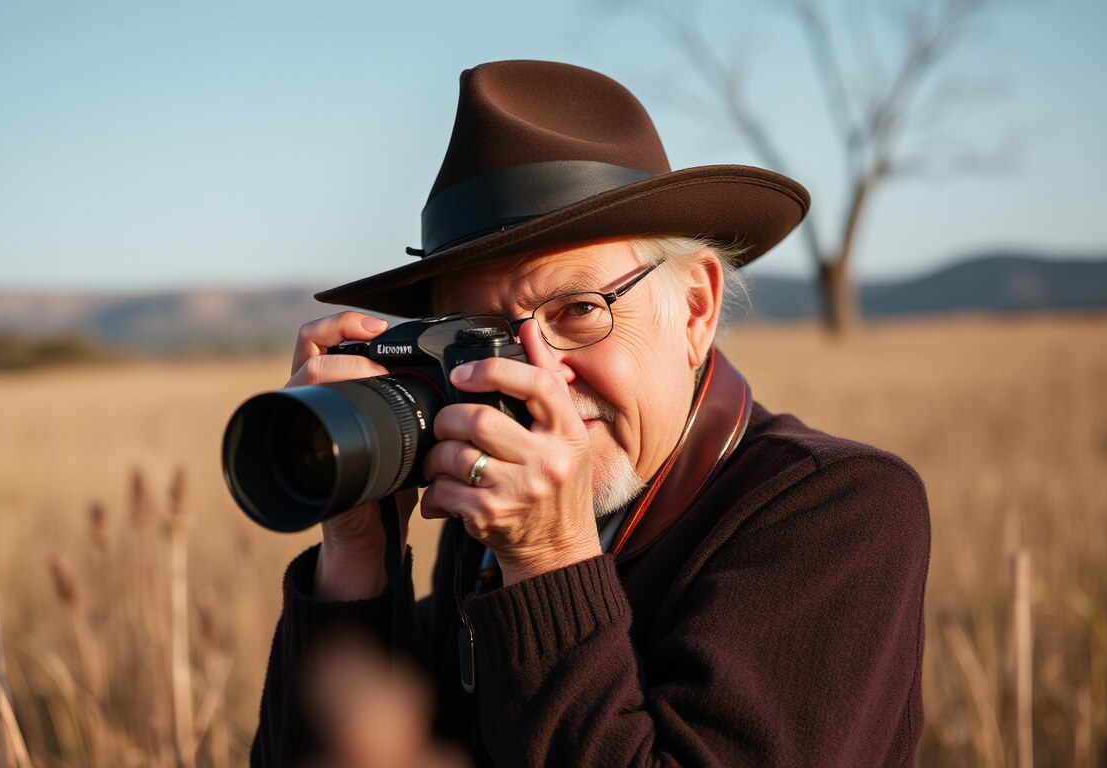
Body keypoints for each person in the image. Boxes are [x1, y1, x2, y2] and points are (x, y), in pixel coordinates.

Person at [250, 60, 930, 767]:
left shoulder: (842, 511)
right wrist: (356, 559)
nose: (536, 374)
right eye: (483, 336)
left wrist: (547, 560)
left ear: (695, 309)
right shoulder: (487, 520)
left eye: (578, 311)